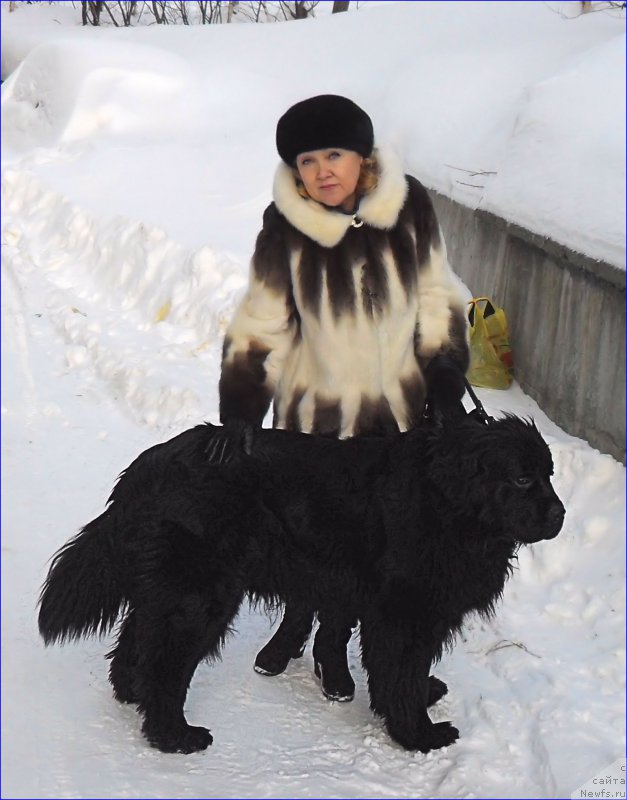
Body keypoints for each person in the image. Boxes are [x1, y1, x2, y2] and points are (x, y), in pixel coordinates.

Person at [217, 94, 470, 702]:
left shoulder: (410, 209)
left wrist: (444, 373)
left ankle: (336, 642)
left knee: (380, 542)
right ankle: (298, 621)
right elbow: (263, 320)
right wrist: (243, 403)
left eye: (335, 154)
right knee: (316, 535)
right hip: (318, 418)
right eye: (308, 160)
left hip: (401, 417)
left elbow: (437, 293)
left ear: (362, 157)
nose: (323, 170)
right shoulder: (285, 228)